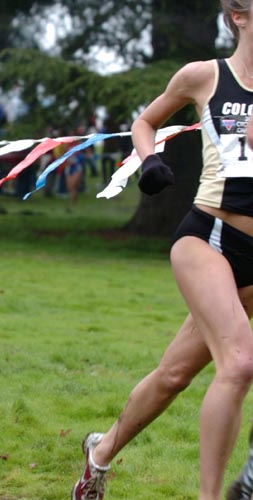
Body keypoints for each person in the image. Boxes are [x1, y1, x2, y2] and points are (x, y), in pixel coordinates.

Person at [72, 2, 253, 499]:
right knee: (237, 366)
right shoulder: (204, 76)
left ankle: (100, 452)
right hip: (209, 237)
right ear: (239, 16)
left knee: (174, 375)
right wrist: (150, 162)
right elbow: (145, 122)